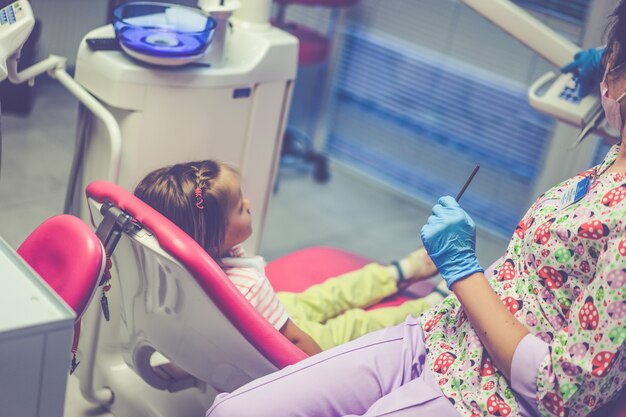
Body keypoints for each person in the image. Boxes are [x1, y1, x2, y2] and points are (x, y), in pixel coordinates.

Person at [204, 3, 626, 416]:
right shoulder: (613, 160)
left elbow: (560, 393)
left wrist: (462, 271)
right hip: (439, 332)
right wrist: (604, 70)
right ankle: (414, 275)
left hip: (487, 396)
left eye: (612, 57)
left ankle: (414, 274)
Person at [134, 160, 443, 355]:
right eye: (240, 208)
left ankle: (397, 273)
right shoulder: (248, 285)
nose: (249, 203)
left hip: (273, 313)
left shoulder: (177, 267)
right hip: (285, 335)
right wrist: (320, 366)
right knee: (356, 324)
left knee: (327, 295)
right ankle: (429, 307)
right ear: (213, 236)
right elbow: (296, 345)